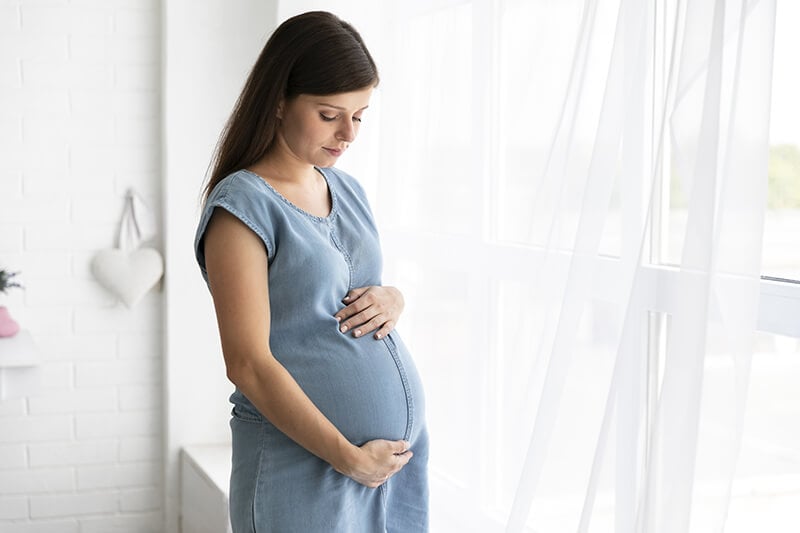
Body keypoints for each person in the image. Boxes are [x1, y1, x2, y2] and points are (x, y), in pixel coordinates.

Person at [193, 11, 429, 533]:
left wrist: (393, 297)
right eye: (330, 115)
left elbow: (346, 293)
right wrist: (347, 456)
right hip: (304, 463)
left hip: (384, 469)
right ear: (279, 100)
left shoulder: (347, 190)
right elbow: (248, 363)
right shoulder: (242, 208)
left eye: (361, 116)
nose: (349, 133)